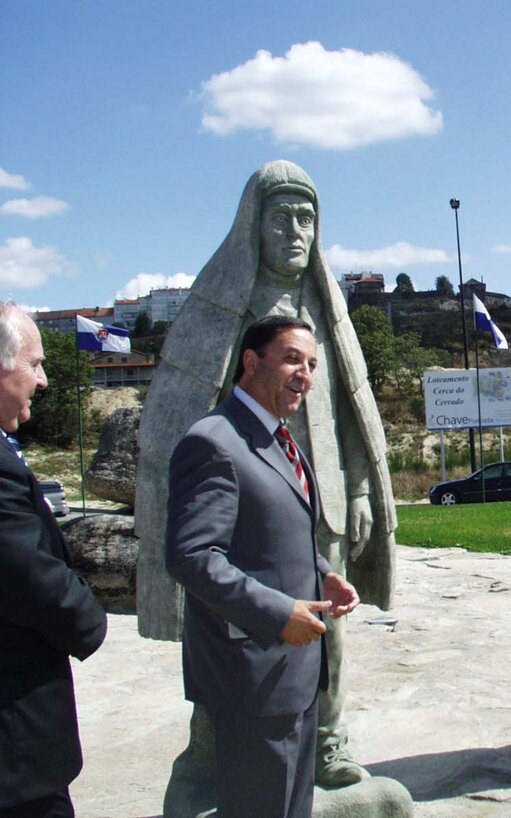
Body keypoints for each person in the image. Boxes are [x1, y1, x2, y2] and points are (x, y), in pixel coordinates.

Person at [136, 160, 396, 788]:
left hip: (317, 493)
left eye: (306, 218)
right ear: (253, 224)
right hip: (244, 500)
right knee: (230, 627)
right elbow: (183, 406)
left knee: (328, 631)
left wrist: (359, 488)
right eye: (280, 217)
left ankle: (327, 739)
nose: (295, 231)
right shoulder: (226, 303)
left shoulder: (326, 310)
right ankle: (211, 743)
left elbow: (350, 409)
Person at [166, 315, 361, 818]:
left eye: (312, 364)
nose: (306, 374)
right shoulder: (213, 441)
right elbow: (192, 556)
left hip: (294, 676)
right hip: (252, 678)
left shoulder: (280, 438)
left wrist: (323, 573)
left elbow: (273, 537)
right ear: (252, 362)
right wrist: (278, 614)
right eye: (292, 358)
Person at [0, 302, 107, 818]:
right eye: (35, 363)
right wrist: (89, 618)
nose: (43, 381)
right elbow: (27, 572)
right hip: (15, 746)